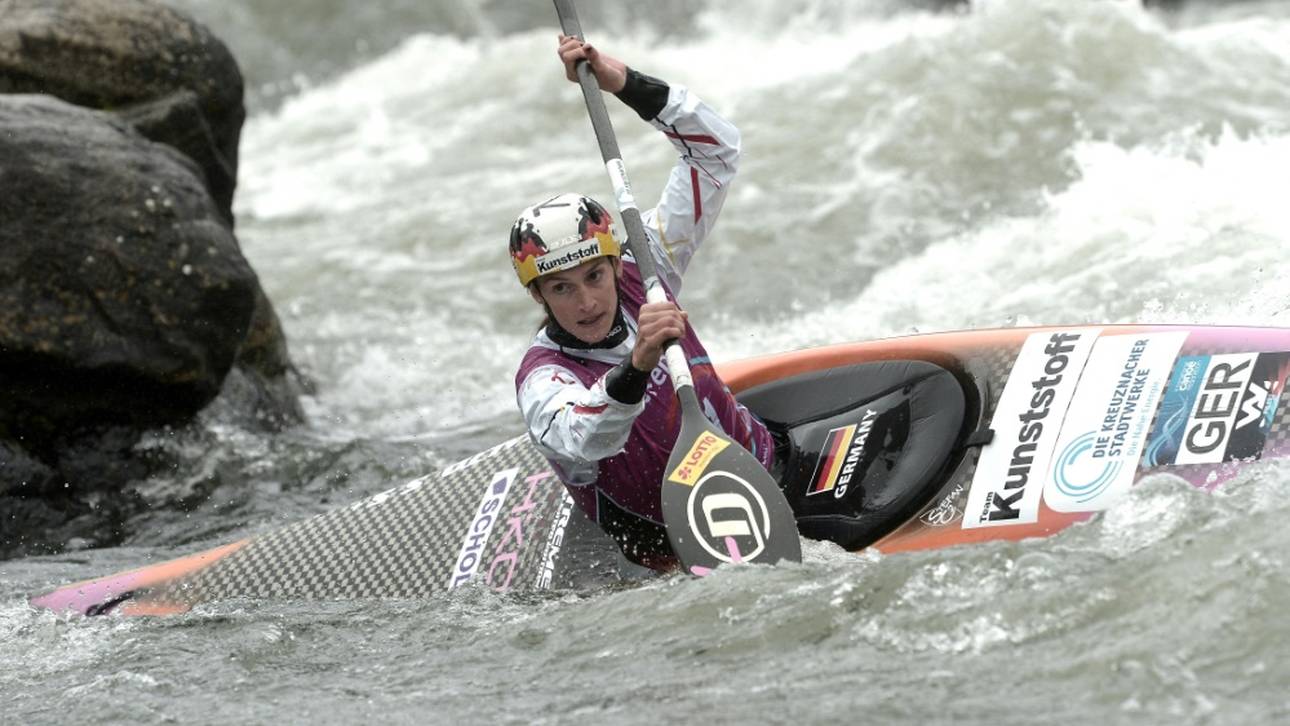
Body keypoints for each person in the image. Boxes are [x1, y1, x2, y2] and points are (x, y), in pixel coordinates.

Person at [510, 36, 775, 570]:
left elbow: (716, 153)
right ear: (537, 294)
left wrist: (620, 80)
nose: (587, 302)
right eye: (561, 288)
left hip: (765, 464)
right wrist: (638, 363)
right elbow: (583, 437)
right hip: (679, 555)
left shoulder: (645, 268)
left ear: (614, 263)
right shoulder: (542, 379)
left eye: (594, 276)